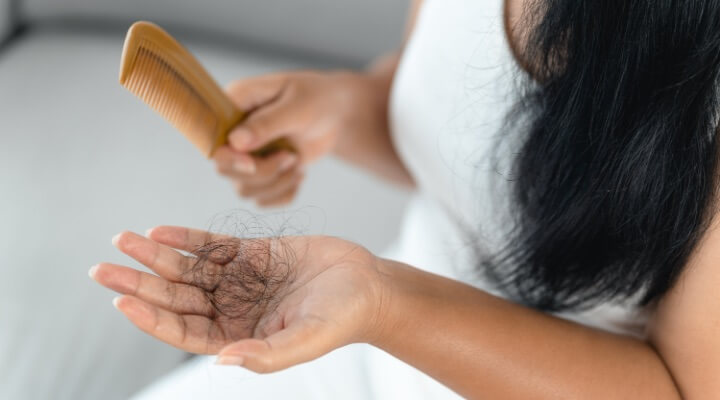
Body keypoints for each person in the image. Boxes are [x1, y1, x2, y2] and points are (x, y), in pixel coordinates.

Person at [90, 0, 720, 398]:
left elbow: (682, 389)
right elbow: (455, 133)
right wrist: (338, 106)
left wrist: (387, 304)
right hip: (351, 341)